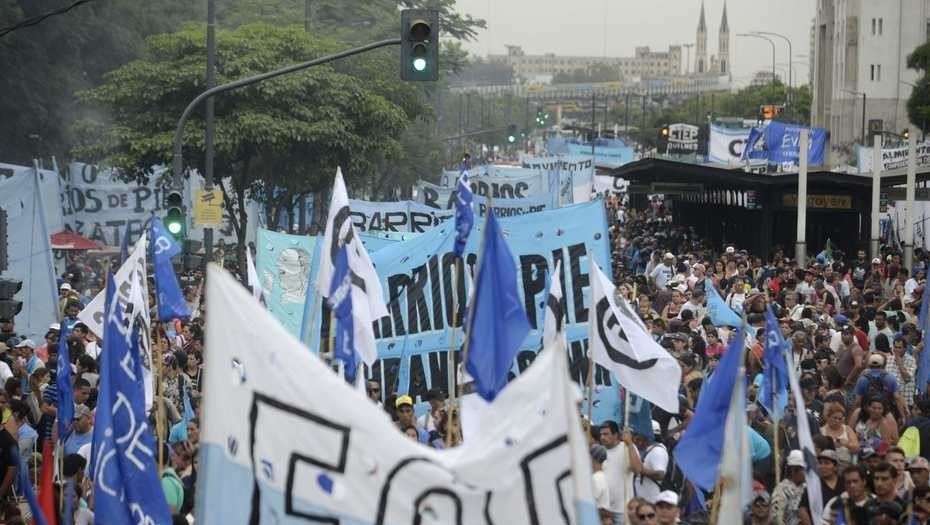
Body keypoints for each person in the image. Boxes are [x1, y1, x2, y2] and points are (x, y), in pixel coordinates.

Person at [600, 421, 640, 525]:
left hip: (622, 511)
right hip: (604, 510)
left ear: (616, 435)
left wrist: (630, 443)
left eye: (606, 434)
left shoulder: (627, 448)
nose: (602, 437)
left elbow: (637, 469)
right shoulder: (600, 451)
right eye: (601, 434)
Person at [799, 450, 842, 525]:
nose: (822, 466)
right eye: (820, 463)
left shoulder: (844, 482)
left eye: (827, 463)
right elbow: (802, 509)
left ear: (835, 467)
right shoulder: (813, 486)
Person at [632, 424, 669, 504]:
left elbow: (660, 475)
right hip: (643, 501)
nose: (635, 439)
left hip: (652, 502)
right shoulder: (649, 450)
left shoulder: (658, 451)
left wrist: (641, 470)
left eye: (638, 435)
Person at [772, 450, 808, 525]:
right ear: (793, 470)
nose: (806, 473)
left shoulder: (806, 487)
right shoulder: (781, 489)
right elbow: (776, 516)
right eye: (803, 470)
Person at [591, 444, 611, 515]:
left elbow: (591, 498)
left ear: (593, 458)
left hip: (599, 516)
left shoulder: (596, 478)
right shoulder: (602, 475)